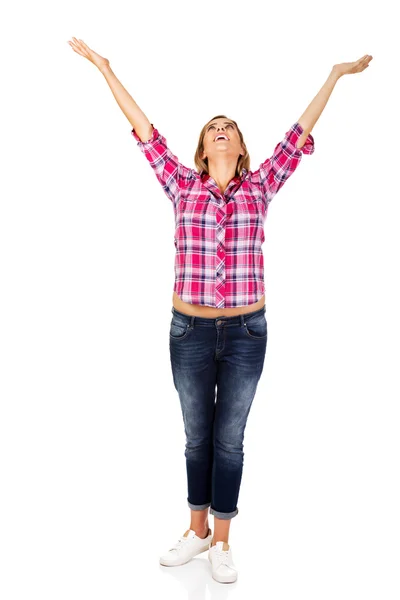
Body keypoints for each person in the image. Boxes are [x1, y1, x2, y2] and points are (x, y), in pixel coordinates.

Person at [67, 37, 373, 583]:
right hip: (188, 330)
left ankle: (223, 540)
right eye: (213, 127)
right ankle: (196, 529)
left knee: (230, 438)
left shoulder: (261, 186)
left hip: (246, 333)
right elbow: (145, 131)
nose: (222, 128)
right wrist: (105, 69)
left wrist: (334, 75)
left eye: (229, 125)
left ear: (241, 146)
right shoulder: (181, 185)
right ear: (203, 149)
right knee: (195, 435)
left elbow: (298, 134)